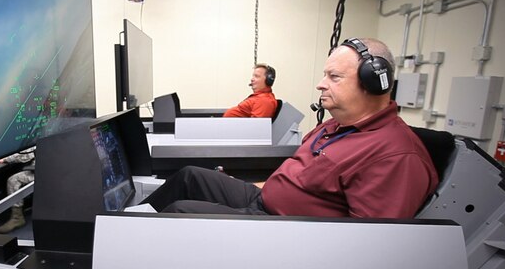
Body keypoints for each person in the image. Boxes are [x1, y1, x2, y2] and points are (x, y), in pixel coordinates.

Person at [142, 37, 438, 219]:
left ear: (374, 82)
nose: (321, 83)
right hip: (264, 199)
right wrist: (256, 186)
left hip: (283, 229)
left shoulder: (395, 156)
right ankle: (124, 222)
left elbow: (368, 243)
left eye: (334, 77)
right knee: (190, 176)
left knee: (179, 213)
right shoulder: (337, 126)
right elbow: (300, 176)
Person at [0, 147, 35, 233]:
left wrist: (6, 159)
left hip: (42, 172)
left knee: (13, 180)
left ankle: (17, 218)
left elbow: (27, 155)